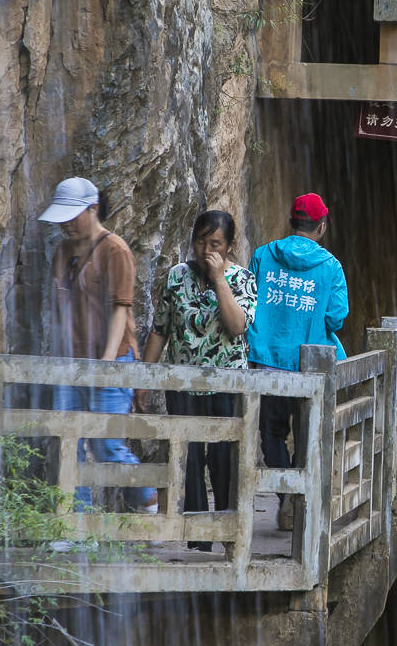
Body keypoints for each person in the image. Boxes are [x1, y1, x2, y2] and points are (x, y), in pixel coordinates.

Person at [40, 177, 155, 514]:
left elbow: (121, 307)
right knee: (67, 442)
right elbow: (59, 306)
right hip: (71, 362)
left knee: (106, 443)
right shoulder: (62, 251)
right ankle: (75, 522)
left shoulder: (115, 249)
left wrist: (105, 363)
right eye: (63, 217)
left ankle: (146, 498)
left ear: (92, 209)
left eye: (73, 216)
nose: (66, 224)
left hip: (112, 359)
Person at [145, 210, 256, 547]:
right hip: (184, 387)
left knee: (225, 462)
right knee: (188, 461)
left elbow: (237, 326)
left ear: (230, 245)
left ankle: (227, 536)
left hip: (228, 387)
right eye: (199, 241)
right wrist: (141, 379)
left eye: (215, 244)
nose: (205, 250)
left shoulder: (243, 279)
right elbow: (160, 330)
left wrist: (220, 279)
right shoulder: (176, 277)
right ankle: (197, 541)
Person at [248, 194, 349, 476]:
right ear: (322, 226)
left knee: (272, 434)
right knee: (308, 434)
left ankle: (286, 498)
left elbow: (248, 302)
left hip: (268, 361)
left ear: (291, 222)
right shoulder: (331, 266)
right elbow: (336, 317)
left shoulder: (263, 255)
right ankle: (298, 500)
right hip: (311, 367)